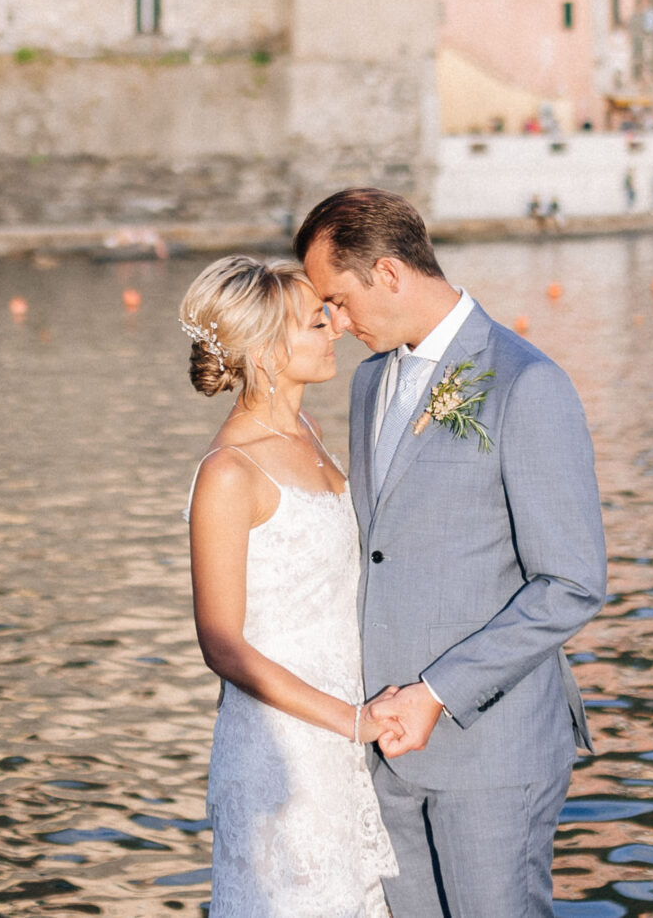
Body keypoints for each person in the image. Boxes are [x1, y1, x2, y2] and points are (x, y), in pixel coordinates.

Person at [297, 188, 607, 918]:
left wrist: (435, 692)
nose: (335, 325)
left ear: (388, 274)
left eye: (338, 300)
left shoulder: (527, 383)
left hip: (489, 748)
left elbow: (571, 583)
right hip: (387, 745)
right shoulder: (373, 381)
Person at [181, 255, 398, 918]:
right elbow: (221, 643)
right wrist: (348, 720)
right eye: (316, 320)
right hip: (286, 750)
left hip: (348, 736)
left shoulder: (309, 431)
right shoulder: (229, 472)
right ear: (270, 350)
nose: (336, 325)